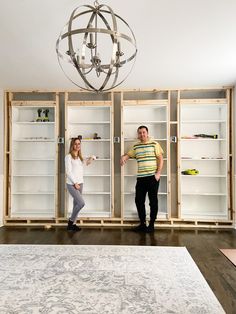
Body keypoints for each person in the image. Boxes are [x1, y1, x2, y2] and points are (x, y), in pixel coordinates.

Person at [120, 126, 164, 233]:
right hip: (141, 178)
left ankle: (152, 225)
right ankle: (143, 224)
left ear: (147, 133)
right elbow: (128, 155)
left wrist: (158, 173)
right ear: (138, 135)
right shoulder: (136, 146)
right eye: (140, 133)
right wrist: (124, 157)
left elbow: (160, 158)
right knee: (139, 201)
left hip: (152, 177)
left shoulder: (155, 144)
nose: (142, 134)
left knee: (153, 202)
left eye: (144, 132)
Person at [65, 137, 95, 232]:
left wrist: (92, 158)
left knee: (76, 204)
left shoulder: (79, 157)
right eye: (75, 144)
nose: (77, 145)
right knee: (81, 203)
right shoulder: (68, 157)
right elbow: (68, 172)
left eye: (79, 144)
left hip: (80, 183)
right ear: (72, 145)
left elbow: (86, 163)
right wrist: (75, 183)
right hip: (72, 184)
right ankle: (70, 222)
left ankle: (73, 224)